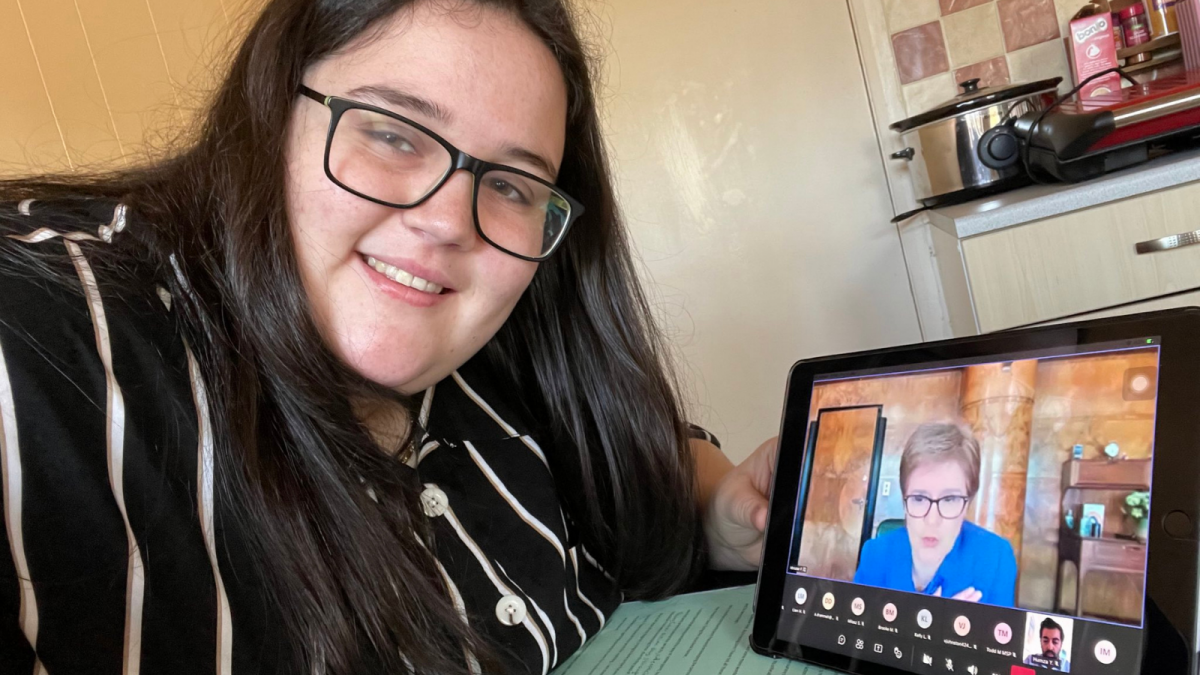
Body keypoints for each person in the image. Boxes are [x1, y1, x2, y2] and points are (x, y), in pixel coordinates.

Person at [0, 1, 778, 673]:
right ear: (270, 117)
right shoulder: (48, 342)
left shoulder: (500, 332)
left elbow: (631, 445)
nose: (446, 221)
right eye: (395, 134)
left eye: (511, 184)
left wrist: (717, 504)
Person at [853, 423, 1017, 606]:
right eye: (919, 498)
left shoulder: (995, 559)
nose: (932, 520)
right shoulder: (875, 554)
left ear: (968, 503)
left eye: (949, 499)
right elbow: (856, 630)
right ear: (904, 501)